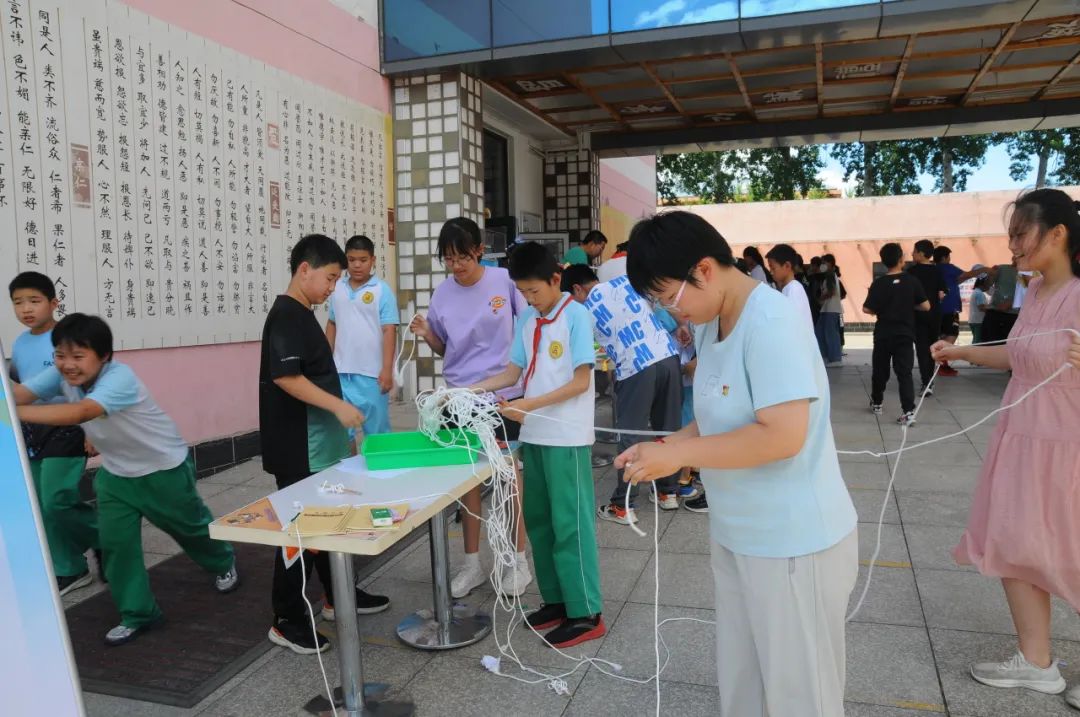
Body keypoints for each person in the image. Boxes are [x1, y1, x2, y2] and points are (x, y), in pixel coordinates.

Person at [616, 211, 857, 716]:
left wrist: (679, 455)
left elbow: (783, 435)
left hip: (792, 540)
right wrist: (663, 446)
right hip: (738, 530)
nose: (670, 313)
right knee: (743, 676)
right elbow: (715, 415)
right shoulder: (711, 322)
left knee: (800, 693)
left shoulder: (770, 320)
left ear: (703, 270)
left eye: (668, 298)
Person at [931, 189, 1080, 709]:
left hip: (1069, 445)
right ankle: (1036, 662)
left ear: (1057, 234)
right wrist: (961, 350)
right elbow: (1019, 358)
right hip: (1020, 437)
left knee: (1073, 549)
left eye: (1020, 232)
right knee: (1014, 545)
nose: (1012, 244)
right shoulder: (1034, 291)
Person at [13, 314, 238, 646]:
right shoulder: (61, 375)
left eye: (78, 356)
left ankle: (222, 560)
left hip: (162, 470)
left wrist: (9, 413)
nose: (67, 365)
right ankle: (139, 614)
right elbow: (22, 393)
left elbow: (80, 413)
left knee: (190, 529)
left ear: (103, 356)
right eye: (60, 355)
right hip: (116, 475)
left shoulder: (120, 378)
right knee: (117, 547)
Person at [469, 241, 605, 649]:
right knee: (540, 522)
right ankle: (557, 601)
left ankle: (586, 611)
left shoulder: (576, 316)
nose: (530, 299)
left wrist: (530, 405)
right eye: (523, 292)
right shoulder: (528, 319)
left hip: (566, 435)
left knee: (571, 524)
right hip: (535, 435)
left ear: (556, 279)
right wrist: (469, 390)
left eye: (535, 291)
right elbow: (512, 371)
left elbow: (581, 381)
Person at [260, 234, 389, 655]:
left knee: (329, 522)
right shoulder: (286, 316)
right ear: (304, 270)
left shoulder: (304, 313)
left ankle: (338, 595)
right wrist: (339, 407)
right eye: (330, 278)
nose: (333, 287)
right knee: (300, 533)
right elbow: (287, 378)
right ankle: (288, 619)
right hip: (299, 446)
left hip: (319, 443)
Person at [408, 218, 532, 599]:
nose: (456, 265)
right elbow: (447, 349)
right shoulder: (442, 294)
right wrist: (427, 333)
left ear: (479, 250)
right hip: (458, 397)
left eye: (462, 256)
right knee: (467, 483)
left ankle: (517, 560)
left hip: (503, 394)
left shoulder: (505, 282)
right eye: (448, 258)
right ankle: (473, 563)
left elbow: (529, 329)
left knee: (510, 477)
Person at [561, 264, 682, 523]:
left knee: (631, 435)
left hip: (637, 368)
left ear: (576, 289)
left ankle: (623, 506)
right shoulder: (626, 281)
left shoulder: (582, 311)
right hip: (668, 357)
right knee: (668, 428)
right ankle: (667, 493)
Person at [8, 271, 99, 596]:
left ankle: (105, 537)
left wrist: (93, 429)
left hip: (69, 427)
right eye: (18, 303)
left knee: (57, 500)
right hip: (32, 430)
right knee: (41, 505)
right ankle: (70, 568)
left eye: (34, 301)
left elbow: (91, 385)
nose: (26, 309)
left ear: (53, 302)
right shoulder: (19, 343)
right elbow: (16, 386)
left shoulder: (68, 338)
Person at [325, 235, 399, 446]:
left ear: (373, 260)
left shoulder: (382, 291)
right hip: (340, 373)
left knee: (377, 435)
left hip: (371, 376)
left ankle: (381, 477)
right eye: (351, 259)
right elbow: (332, 324)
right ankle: (347, 477)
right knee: (341, 435)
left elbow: (389, 331)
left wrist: (387, 370)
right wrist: (324, 362)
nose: (357, 265)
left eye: (363, 260)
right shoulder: (337, 287)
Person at [863, 243, 931, 427]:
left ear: (884, 262)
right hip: (905, 334)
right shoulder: (912, 281)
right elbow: (926, 306)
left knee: (880, 370)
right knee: (904, 373)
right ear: (901, 260)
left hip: (883, 333)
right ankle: (908, 412)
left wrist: (884, 308)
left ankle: (877, 403)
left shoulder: (878, 283)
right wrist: (908, 306)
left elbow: (866, 308)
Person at [932, 245, 982, 376]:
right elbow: (966, 274)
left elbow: (959, 279)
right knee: (951, 335)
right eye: (948, 257)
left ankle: (942, 363)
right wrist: (984, 270)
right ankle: (942, 362)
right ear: (944, 257)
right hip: (949, 308)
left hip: (936, 309)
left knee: (941, 335)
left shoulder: (934, 269)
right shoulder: (948, 268)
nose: (949, 259)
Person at [907, 240, 946, 394]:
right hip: (935, 316)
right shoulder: (937, 271)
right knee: (931, 348)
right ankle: (929, 381)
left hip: (918, 315)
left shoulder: (911, 272)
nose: (912, 253)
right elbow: (942, 294)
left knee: (922, 349)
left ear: (922, 253)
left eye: (914, 251)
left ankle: (927, 382)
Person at [765, 243, 813, 329]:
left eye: (773, 268)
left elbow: (793, 324)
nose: (771, 272)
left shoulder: (793, 289)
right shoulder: (789, 288)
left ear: (787, 266)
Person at [815, 254, 844, 366]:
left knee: (831, 334)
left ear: (831, 263)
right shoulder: (828, 276)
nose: (822, 265)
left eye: (824, 262)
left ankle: (835, 358)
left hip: (831, 309)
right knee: (820, 333)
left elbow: (831, 292)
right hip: (826, 309)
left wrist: (820, 298)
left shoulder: (831, 275)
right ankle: (825, 356)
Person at [968, 275, 991, 345]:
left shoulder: (976, 292)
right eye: (988, 284)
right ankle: (973, 354)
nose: (989, 287)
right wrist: (993, 309)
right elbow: (981, 307)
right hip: (979, 321)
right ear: (983, 284)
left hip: (974, 320)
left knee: (976, 340)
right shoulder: (979, 293)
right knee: (978, 342)